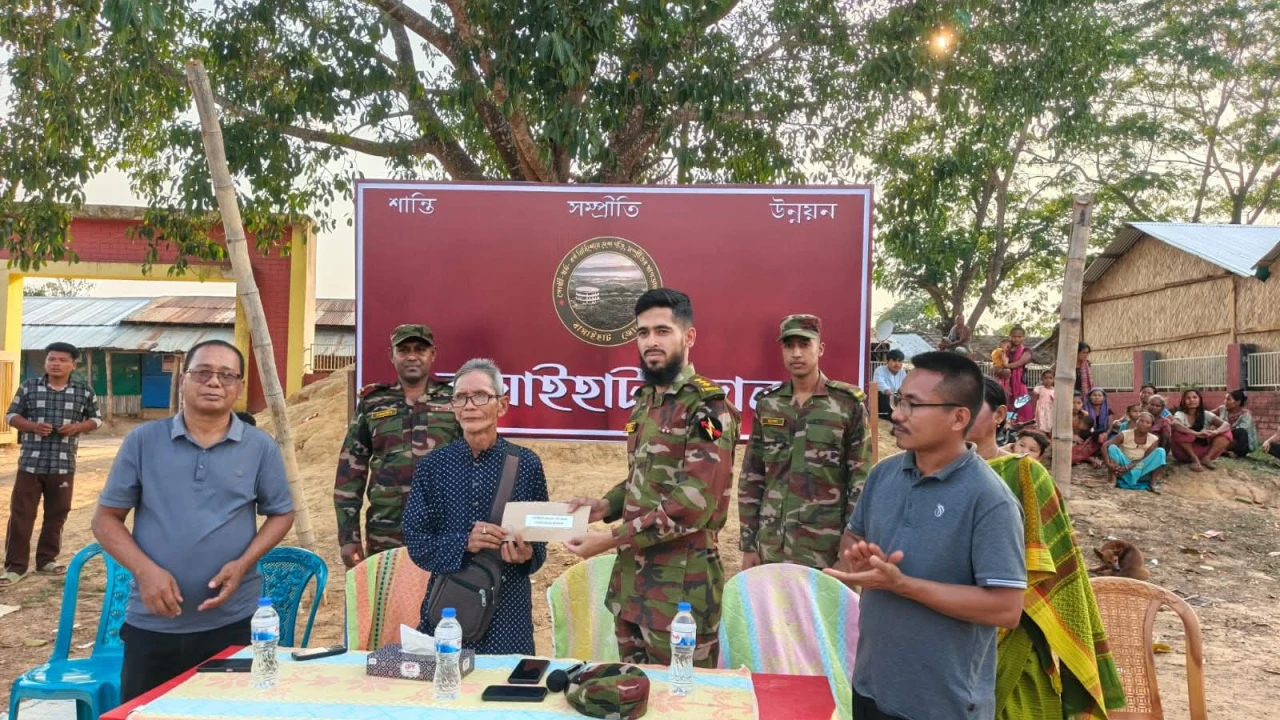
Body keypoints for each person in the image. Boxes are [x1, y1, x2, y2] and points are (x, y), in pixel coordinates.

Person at [825, 351, 1025, 720]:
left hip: (940, 704)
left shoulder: (990, 499)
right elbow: (854, 538)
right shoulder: (884, 475)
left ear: (958, 417)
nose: (897, 414)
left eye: (913, 405)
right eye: (899, 400)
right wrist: (858, 556)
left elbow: (1006, 607)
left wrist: (902, 584)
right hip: (870, 686)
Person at [91, 340, 295, 702]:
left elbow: (282, 512)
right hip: (153, 621)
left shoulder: (259, 447)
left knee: (228, 713)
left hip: (232, 620)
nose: (214, 382)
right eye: (202, 372)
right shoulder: (143, 441)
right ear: (183, 381)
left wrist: (244, 562)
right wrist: (145, 572)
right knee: (147, 712)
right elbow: (106, 520)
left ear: (238, 387)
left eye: (226, 375)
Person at [563, 289, 740, 668]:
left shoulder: (709, 408)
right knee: (632, 691)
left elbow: (693, 502)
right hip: (632, 586)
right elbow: (643, 478)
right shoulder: (647, 401)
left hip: (682, 592)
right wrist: (604, 507)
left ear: (688, 337)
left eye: (662, 330)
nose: (651, 342)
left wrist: (610, 538)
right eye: (643, 333)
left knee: (682, 701)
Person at [967, 378, 1126, 720]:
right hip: (949, 620)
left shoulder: (1024, 473)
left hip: (1013, 624)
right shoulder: (931, 475)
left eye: (970, 404)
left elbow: (1052, 554)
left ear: (1000, 415)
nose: (959, 413)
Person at [402, 359, 548, 654]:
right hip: (449, 613)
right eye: (460, 397)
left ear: (502, 405)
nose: (469, 405)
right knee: (447, 692)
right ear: (453, 407)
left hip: (509, 614)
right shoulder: (433, 466)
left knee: (505, 694)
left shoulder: (526, 465)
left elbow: (539, 546)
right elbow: (416, 541)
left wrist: (526, 554)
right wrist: (464, 543)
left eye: (480, 396)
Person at [739, 314, 868, 570]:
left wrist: (849, 549)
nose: (796, 353)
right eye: (789, 346)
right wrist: (749, 544)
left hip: (825, 550)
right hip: (771, 546)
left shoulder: (847, 405)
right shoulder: (768, 404)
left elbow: (861, 482)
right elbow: (752, 476)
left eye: (804, 344)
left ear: (819, 348)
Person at [334, 324, 461, 569]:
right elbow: (350, 473)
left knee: (442, 602)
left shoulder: (454, 400)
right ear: (391, 356)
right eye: (403, 350)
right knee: (388, 602)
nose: (412, 356)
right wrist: (348, 538)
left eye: (420, 349)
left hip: (444, 530)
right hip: (386, 531)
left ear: (432, 354)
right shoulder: (373, 403)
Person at [3, 342, 103, 587]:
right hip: (30, 463)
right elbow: (11, 416)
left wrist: (77, 427)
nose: (55, 364)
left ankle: (46, 560)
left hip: (63, 463)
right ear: (45, 362)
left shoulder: (84, 391)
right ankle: (15, 567)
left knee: (57, 513)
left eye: (61, 360)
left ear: (73, 364)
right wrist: (32, 426)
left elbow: (96, 420)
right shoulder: (29, 388)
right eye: (51, 359)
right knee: (21, 514)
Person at [1104, 412, 1166, 493]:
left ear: (1151, 426)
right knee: (1112, 448)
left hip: (1141, 467)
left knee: (1161, 451)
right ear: (1136, 422)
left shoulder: (1154, 439)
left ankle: (1153, 483)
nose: (1143, 424)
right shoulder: (1124, 434)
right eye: (1141, 421)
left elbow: (1145, 459)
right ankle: (1113, 479)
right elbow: (1105, 446)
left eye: (1147, 423)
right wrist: (1108, 463)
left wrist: (1128, 467)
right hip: (1123, 465)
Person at [1171, 389, 1231, 472]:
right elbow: (1174, 424)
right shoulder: (1180, 414)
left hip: (1203, 451)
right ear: (1184, 401)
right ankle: (1194, 458)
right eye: (1188, 398)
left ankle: (1207, 458)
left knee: (1226, 432)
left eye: (1195, 397)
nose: (1192, 400)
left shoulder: (1206, 414)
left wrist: (1215, 432)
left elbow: (1226, 425)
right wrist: (1196, 433)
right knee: (1180, 432)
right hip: (1184, 453)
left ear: (1200, 400)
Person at [1215, 389, 1257, 458]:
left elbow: (1240, 431)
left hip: (1236, 441)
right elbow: (1209, 415)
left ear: (1238, 402)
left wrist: (1220, 430)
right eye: (1225, 399)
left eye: (1228, 399)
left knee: (1241, 432)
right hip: (1224, 437)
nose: (1225, 402)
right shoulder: (1222, 409)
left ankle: (1237, 454)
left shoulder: (1246, 415)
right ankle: (1223, 451)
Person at [1006, 327, 1035, 424]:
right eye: (1014, 336)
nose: (1016, 339)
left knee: (1021, 403)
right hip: (1005, 381)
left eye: (1019, 336)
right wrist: (1000, 368)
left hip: (1019, 382)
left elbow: (1019, 363)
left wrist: (1004, 366)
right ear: (1009, 336)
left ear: (1023, 338)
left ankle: (1022, 424)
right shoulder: (1004, 350)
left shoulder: (1026, 351)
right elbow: (995, 363)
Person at [873, 350, 907, 419]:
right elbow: (881, 384)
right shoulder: (880, 370)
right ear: (887, 361)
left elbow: (905, 386)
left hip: (896, 399)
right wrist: (890, 393)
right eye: (894, 361)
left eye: (900, 361)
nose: (897, 364)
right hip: (883, 400)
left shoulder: (902, 372)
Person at [1071, 393, 1102, 467]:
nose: (1075, 405)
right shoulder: (1064, 414)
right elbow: (1055, 432)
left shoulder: (1084, 414)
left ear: (1082, 404)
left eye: (1079, 403)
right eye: (1073, 402)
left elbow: (1089, 428)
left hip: (1081, 440)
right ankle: (1089, 458)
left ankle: (1084, 457)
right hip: (1068, 439)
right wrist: (1072, 436)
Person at [1032, 369, 1055, 436]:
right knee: (1041, 422)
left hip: (1050, 409)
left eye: (1050, 378)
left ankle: (1049, 434)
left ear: (1053, 379)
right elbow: (1035, 398)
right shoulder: (1039, 388)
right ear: (1042, 379)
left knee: (1050, 421)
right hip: (1041, 409)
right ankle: (1041, 434)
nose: (1048, 380)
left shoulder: (1054, 390)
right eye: (1046, 378)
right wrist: (1033, 409)